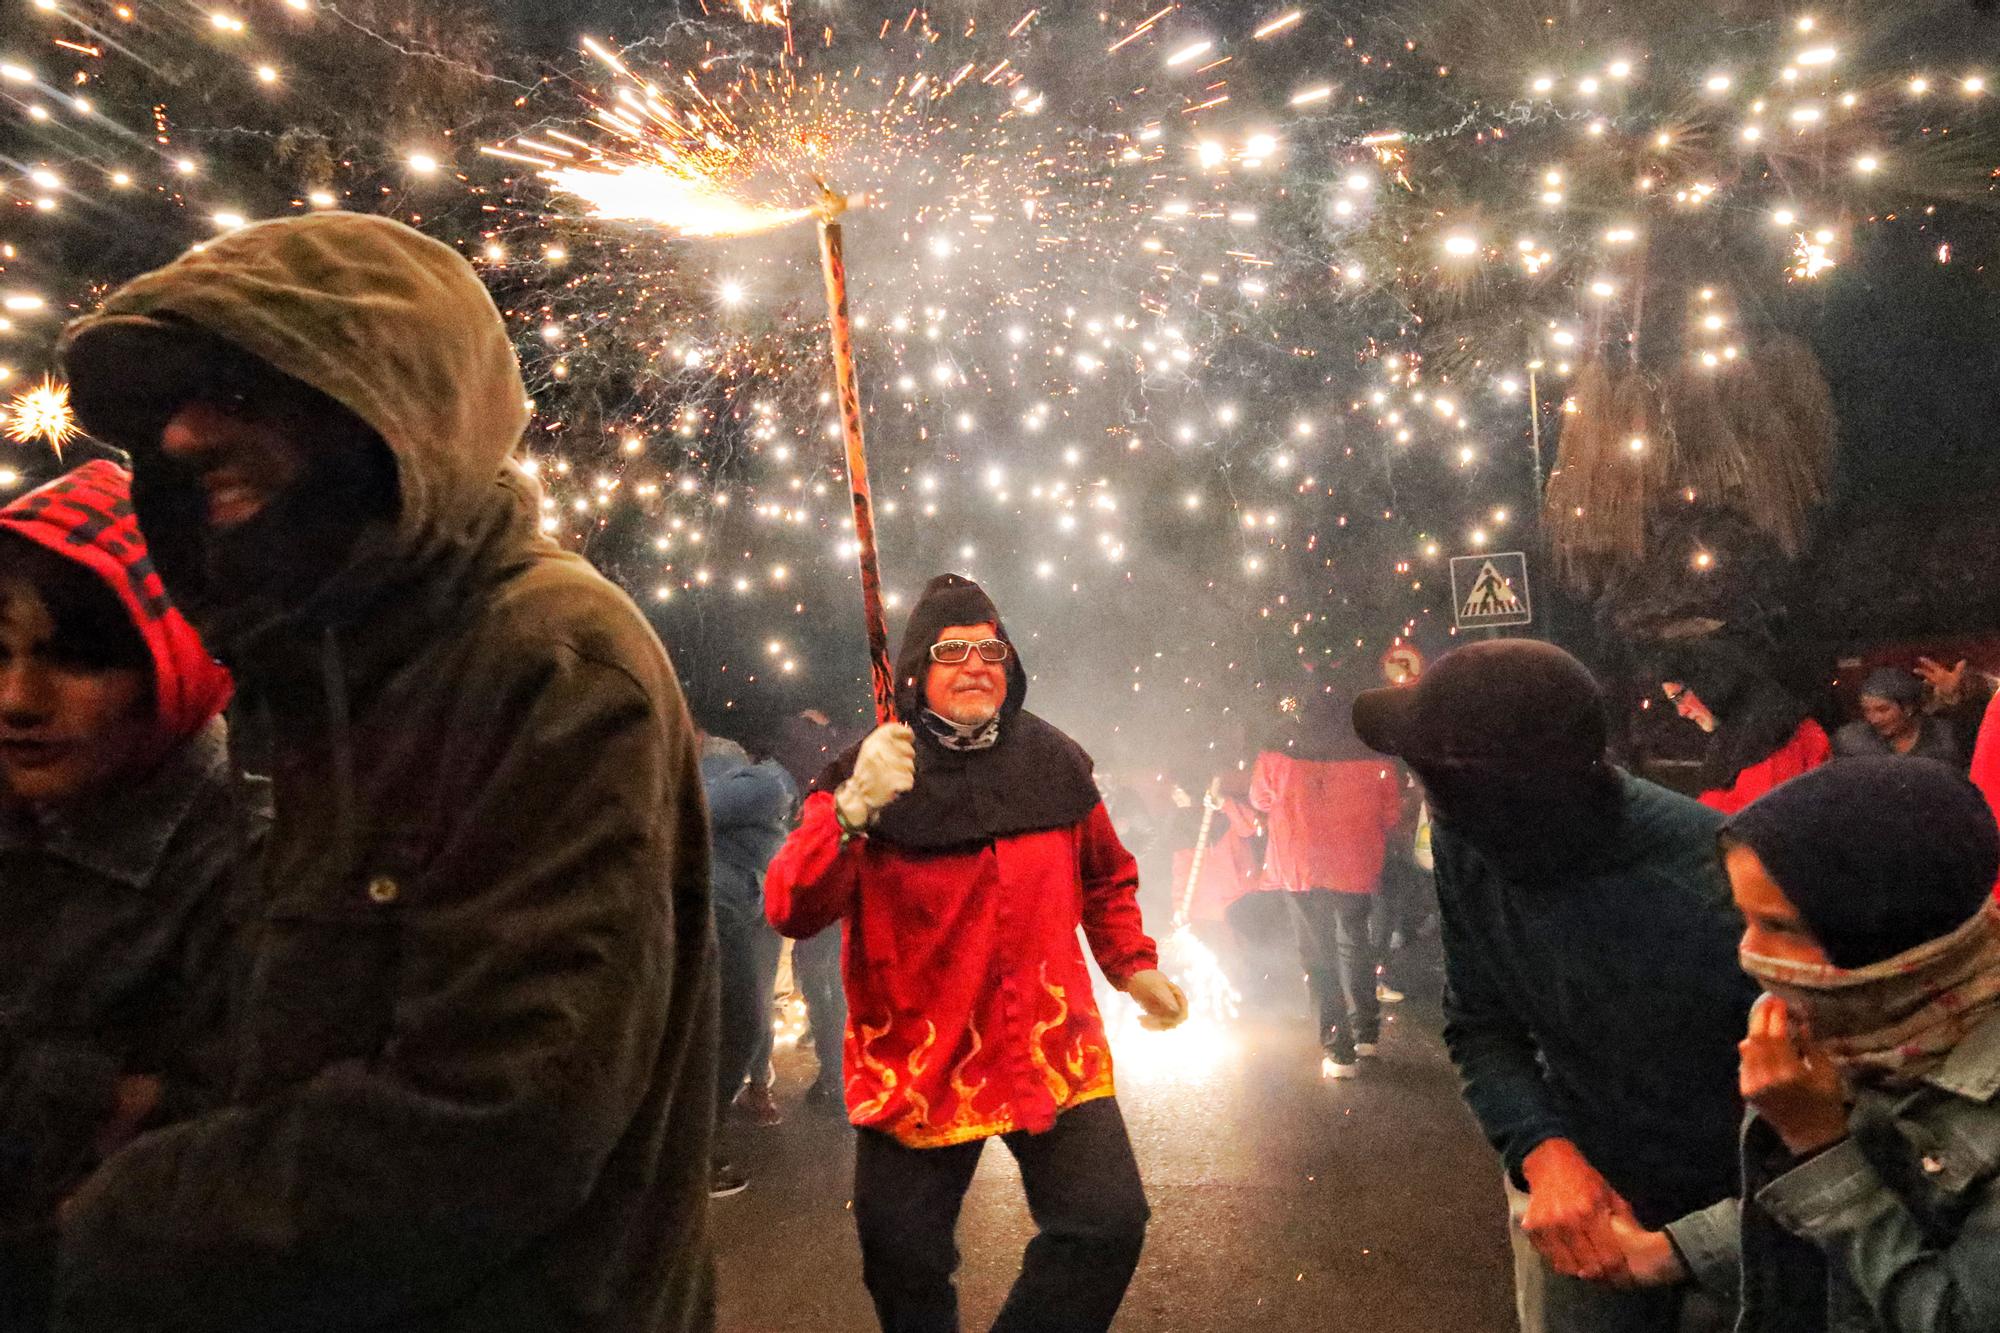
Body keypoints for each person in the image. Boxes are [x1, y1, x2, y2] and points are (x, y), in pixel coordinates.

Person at [54, 212, 717, 1332]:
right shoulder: (315, 663)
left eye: (246, 390)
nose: (181, 435)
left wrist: (118, 1222)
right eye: (174, 398)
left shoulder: (546, 657)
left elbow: (494, 1122)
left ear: (383, 403)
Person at [764, 573, 1187, 1333]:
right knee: (901, 1259)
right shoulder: (866, 770)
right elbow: (791, 907)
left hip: (1048, 1048)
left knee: (1106, 1226)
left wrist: (1132, 961)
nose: (975, 662)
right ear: (918, 668)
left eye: (990, 648)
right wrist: (855, 810)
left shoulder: (1055, 760)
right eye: (952, 648)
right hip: (920, 1065)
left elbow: (1105, 876)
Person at [1353, 640, 1756, 1333]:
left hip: (1747, 1204)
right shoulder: (1462, 840)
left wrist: (1702, 1243)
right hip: (1582, 1191)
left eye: (1435, 784)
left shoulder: (1719, 876)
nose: (1425, 803)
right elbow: (1481, 1022)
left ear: (1509, 806)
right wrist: (1543, 1149)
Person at [1614, 757, 2000, 1331]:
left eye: (1781, 927)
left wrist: (1819, 1143)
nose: (1751, 953)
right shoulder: (1859, 1023)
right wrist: (1674, 1251)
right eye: (1743, 919)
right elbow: (1875, 1194)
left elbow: (1957, 1314)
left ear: (1880, 927)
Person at [0, 461, 250, 1329]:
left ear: (166, 660)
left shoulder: (249, 857)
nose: (18, 700)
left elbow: (212, 1159)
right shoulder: (24, 813)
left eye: (72, 658)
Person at [1250, 690, 1403, 1078]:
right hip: (1355, 864)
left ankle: (1339, 1051)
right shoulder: (1375, 756)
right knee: (1355, 940)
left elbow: (1259, 800)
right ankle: (1367, 1032)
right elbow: (1390, 815)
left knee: (1317, 954)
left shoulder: (1279, 753)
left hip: (1301, 867)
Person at [701, 727, 796, 1183]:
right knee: (740, 1022)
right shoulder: (769, 782)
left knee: (735, 1023)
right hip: (719, 906)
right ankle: (697, 1151)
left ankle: (699, 1140)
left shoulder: (771, 786)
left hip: (735, 907)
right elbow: (700, 807)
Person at [769, 708, 856, 1110]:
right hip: (834, 890)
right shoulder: (853, 755)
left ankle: (836, 1078)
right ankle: (840, 1077)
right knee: (833, 990)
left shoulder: (799, 763)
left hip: (822, 888)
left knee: (827, 991)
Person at [1660, 639, 1831, 815]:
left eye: (1679, 698)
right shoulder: (1737, 740)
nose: (1681, 711)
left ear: (1709, 684)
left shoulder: (1773, 739)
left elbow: (1755, 825)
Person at [1832, 666, 1961, 767]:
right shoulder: (1851, 741)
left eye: (1882, 710)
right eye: (1866, 710)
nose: (1873, 719)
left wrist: (1952, 697)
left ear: (1908, 708)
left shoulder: (1944, 736)